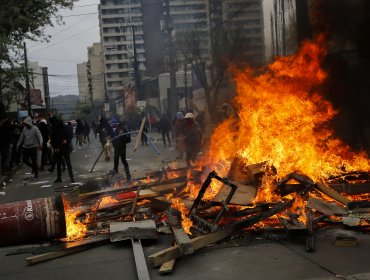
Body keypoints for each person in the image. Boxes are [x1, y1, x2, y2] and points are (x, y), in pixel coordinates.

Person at [49, 117, 74, 183]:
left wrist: (66, 140)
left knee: (68, 164)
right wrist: (54, 148)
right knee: (58, 164)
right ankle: (59, 178)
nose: (55, 124)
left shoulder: (64, 127)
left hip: (65, 148)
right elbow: (52, 140)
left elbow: (70, 136)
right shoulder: (53, 129)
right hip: (57, 148)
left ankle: (72, 178)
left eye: (56, 123)